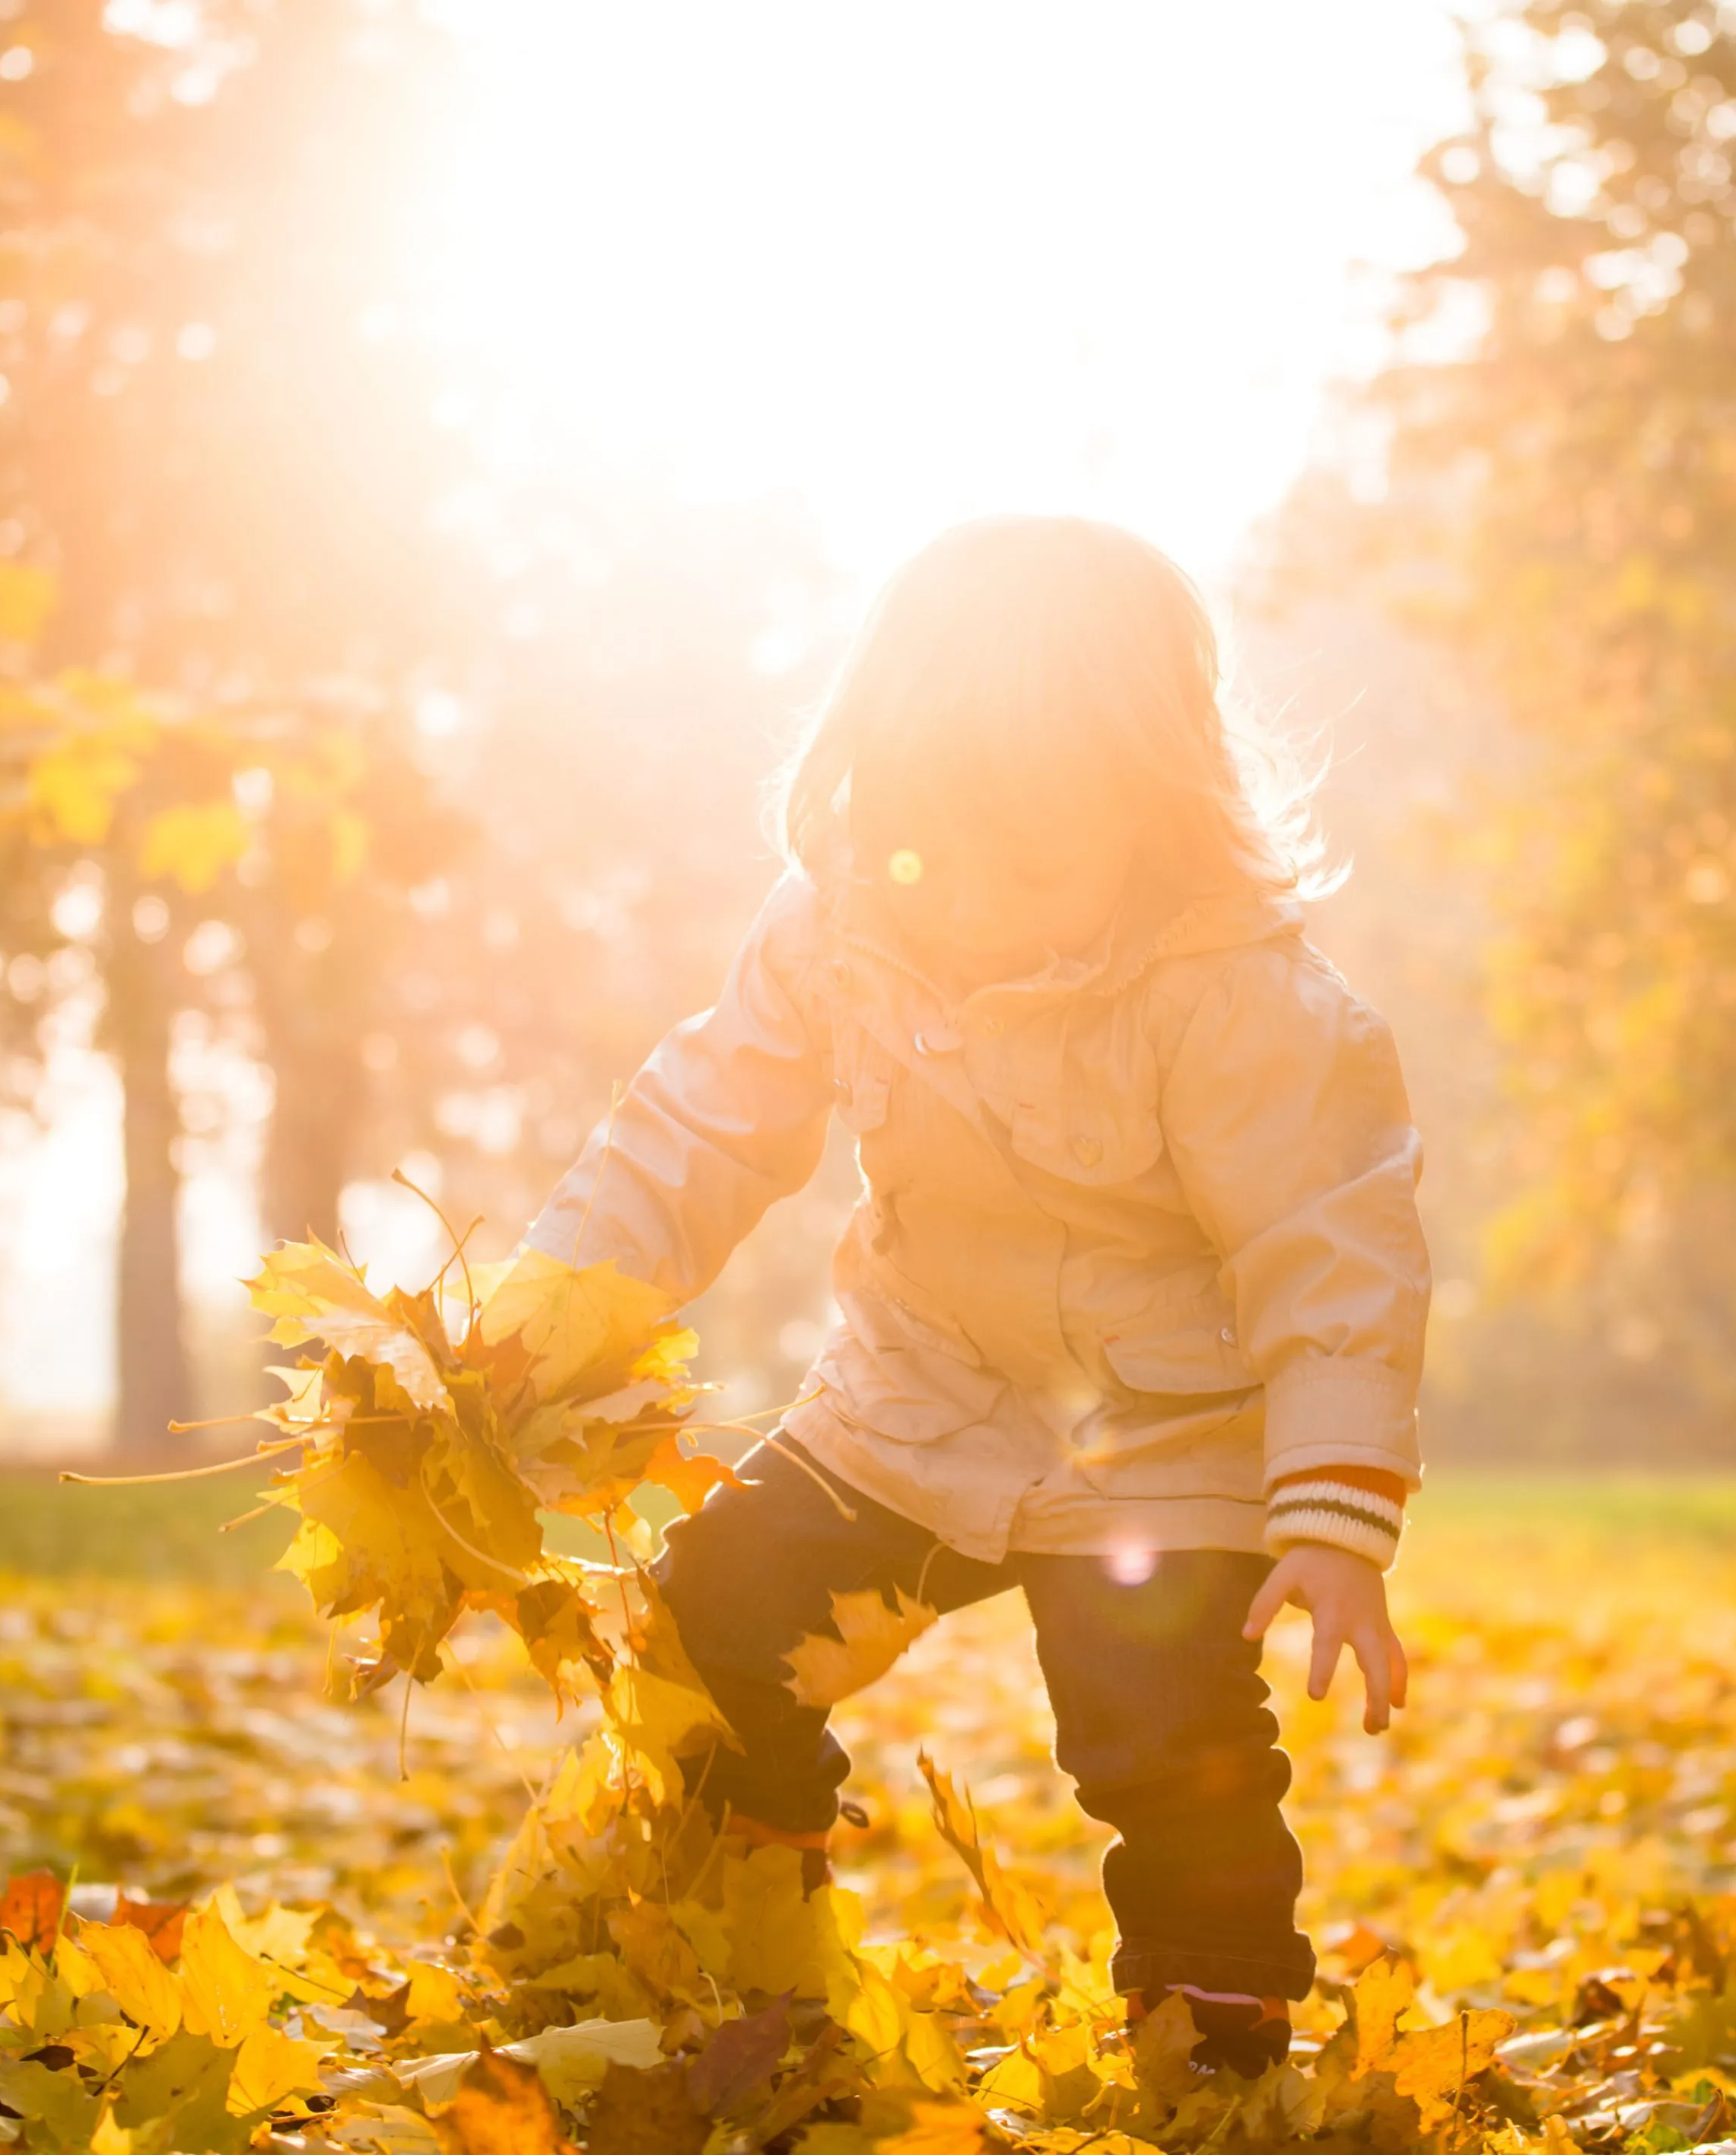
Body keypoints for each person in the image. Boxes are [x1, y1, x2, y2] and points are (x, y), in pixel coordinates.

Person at [519, 514, 1429, 2076]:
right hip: (916, 1396)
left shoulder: (1240, 999)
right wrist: (539, 1325)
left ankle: (1213, 2038)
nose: (967, 908)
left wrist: (1335, 1514)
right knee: (708, 1614)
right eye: (923, 852)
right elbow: (697, 1132)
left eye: (1034, 867)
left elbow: (1330, 1251)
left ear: (1154, 809)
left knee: (1164, 1739)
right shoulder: (835, 931)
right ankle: (756, 1942)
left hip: (1159, 1439)